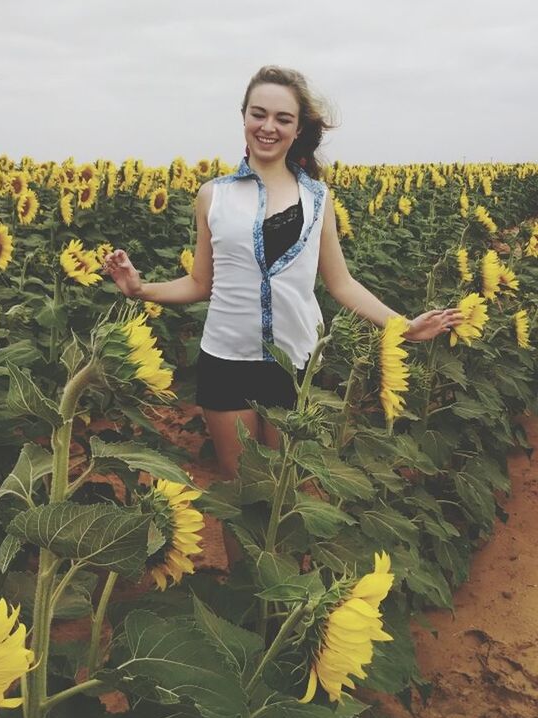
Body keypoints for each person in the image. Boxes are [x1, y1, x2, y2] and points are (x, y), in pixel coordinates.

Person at [103, 64, 463, 485]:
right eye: (259, 114)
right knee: (242, 489)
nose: (268, 126)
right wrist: (140, 289)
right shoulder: (213, 196)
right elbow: (202, 283)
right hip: (227, 359)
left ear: (297, 130)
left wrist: (403, 327)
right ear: (244, 118)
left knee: (284, 488)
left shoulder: (318, 197)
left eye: (282, 119)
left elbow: (340, 282)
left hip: (296, 362)